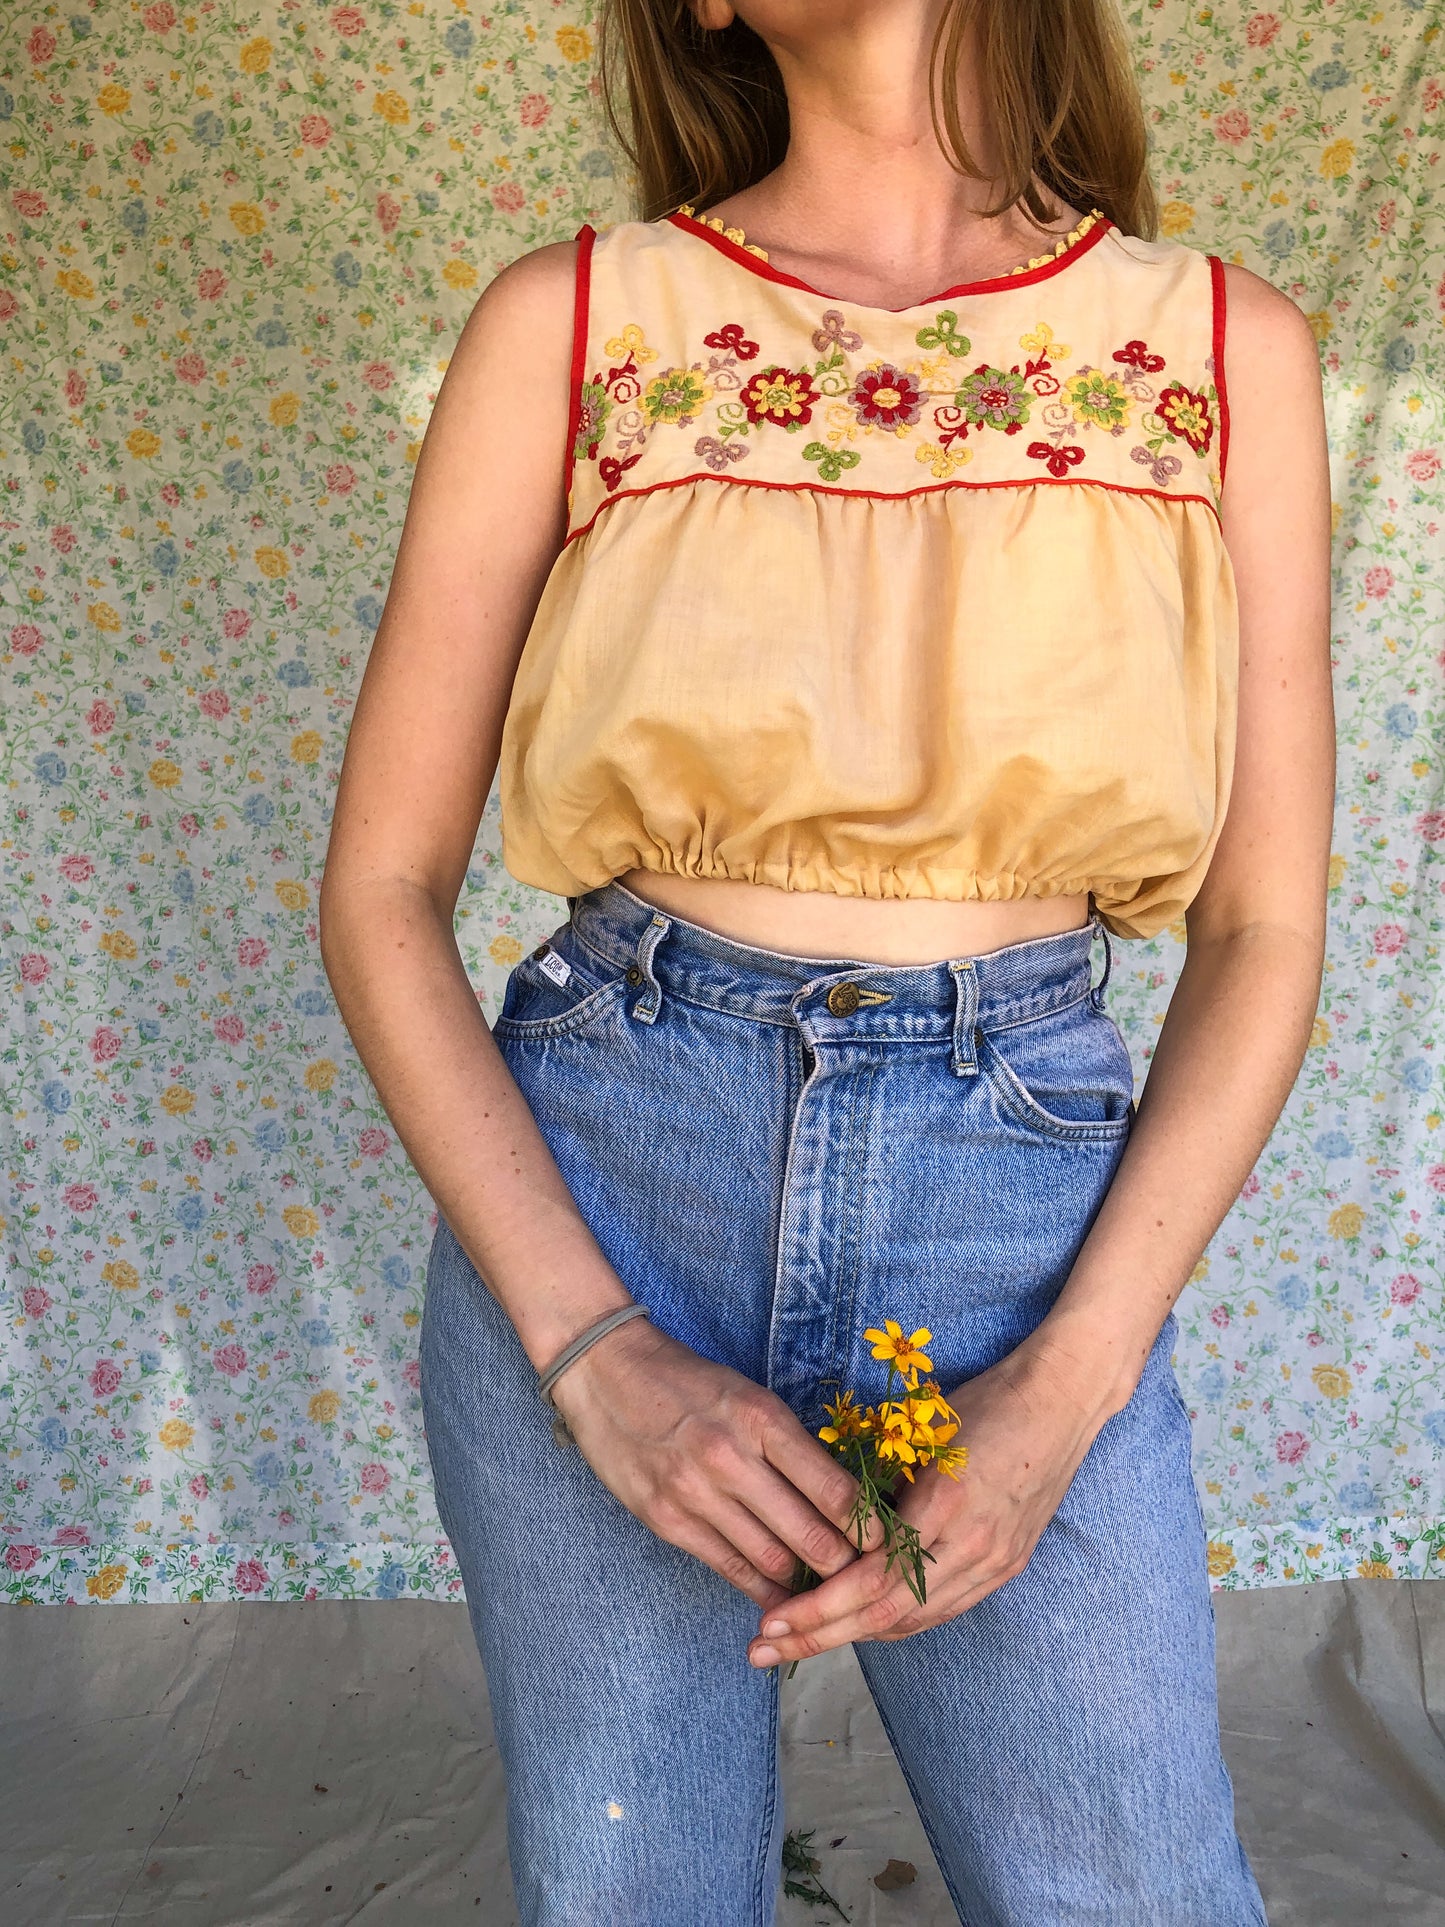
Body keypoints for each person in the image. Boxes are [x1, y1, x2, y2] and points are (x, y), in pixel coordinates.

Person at [319, 0, 1332, 1919]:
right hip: (613, 1162)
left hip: (1017, 1209)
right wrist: (594, 1349)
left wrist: (1068, 1387)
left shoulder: (1218, 350)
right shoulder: (575, 323)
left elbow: (1265, 925)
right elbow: (378, 891)